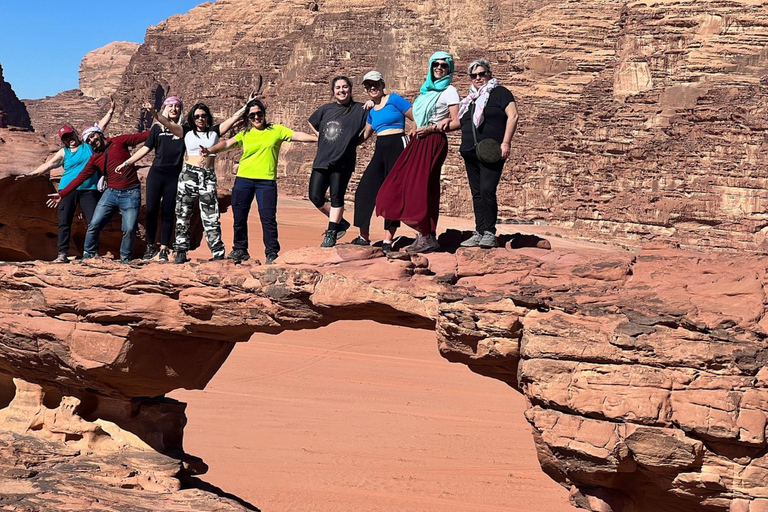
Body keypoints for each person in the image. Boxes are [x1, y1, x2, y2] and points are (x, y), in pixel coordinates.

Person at [200, 99, 318, 264]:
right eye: (252, 115)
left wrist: (317, 138)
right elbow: (227, 143)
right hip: (244, 179)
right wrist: (210, 150)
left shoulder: (275, 130)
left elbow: (296, 135)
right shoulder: (245, 134)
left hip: (266, 181)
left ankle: (271, 253)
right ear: (248, 118)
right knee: (239, 216)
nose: (256, 117)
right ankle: (240, 249)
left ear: (264, 114)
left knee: (268, 218)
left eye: (259, 114)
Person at [145, 96, 255, 263]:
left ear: (208, 117)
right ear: (192, 118)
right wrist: (154, 112)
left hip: (207, 176)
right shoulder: (186, 131)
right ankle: (180, 250)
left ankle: (217, 252)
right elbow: (166, 123)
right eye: (197, 116)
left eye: (203, 116)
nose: (200, 119)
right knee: (183, 213)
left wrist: (247, 105)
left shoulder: (215, 132)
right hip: (188, 175)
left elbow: (233, 119)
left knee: (211, 215)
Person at [376, 51, 460, 253]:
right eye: (435, 65)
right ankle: (424, 233)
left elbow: (457, 122)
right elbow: (416, 118)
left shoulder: (449, 91)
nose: (439, 68)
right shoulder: (425, 93)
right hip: (418, 141)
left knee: (423, 187)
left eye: (443, 65)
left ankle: (426, 235)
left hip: (433, 141)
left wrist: (434, 127)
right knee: (401, 184)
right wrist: (415, 129)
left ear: (449, 69)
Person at [19, 100, 115, 262]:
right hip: (67, 189)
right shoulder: (64, 152)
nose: (69, 138)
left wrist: (111, 111)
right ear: (63, 140)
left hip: (89, 189)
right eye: (65, 137)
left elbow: (100, 128)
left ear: (75, 134)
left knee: (93, 221)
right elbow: (49, 165)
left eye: (70, 135)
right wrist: (32, 175)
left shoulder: (88, 146)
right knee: (64, 222)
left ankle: (91, 253)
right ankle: (62, 254)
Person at [47, 121, 150, 264]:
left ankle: (125, 259)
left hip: (131, 192)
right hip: (111, 192)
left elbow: (144, 136)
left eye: (93, 136)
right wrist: (62, 193)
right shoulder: (95, 158)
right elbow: (80, 177)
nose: (92, 140)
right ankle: (88, 256)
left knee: (129, 228)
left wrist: (164, 124)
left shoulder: (119, 141)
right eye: (88, 139)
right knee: (94, 224)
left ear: (99, 133)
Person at [457, 58, 518, 248]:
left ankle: (490, 232)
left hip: (491, 151)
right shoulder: (469, 99)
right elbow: (459, 122)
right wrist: (435, 127)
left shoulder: (500, 92)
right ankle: (479, 230)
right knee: (476, 193)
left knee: (487, 190)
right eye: (473, 75)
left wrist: (506, 142)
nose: (478, 78)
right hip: (470, 151)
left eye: (481, 74)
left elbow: (513, 115)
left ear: (489, 74)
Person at [115, 96, 185, 262]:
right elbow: (145, 148)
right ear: (165, 108)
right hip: (156, 174)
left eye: (177, 106)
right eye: (171, 106)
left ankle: (164, 248)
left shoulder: (184, 129)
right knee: (152, 211)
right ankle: (150, 246)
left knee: (168, 212)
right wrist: (127, 162)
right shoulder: (156, 129)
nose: (174, 109)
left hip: (173, 176)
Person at [350, 71, 413, 253]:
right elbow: (365, 135)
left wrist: (414, 132)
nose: (372, 87)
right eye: (368, 85)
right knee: (363, 191)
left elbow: (415, 116)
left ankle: (388, 240)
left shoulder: (394, 99)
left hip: (398, 145)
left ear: (382, 84)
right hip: (381, 148)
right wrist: (345, 142)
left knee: (392, 194)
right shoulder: (371, 110)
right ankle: (364, 236)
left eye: (375, 83)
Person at [308, 76, 368, 248]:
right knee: (315, 196)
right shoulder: (326, 109)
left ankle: (331, 232)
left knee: (336, 197)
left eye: (345, 87)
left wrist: (358, 140)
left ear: (350, 88)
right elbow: (311, 122)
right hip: (322, 159)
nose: (341, 90)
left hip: (343, 160)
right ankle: (340, 223)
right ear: (333, 91)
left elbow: (373, 123)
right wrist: (319, 136)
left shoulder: (361, 109)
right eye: (338, 88)